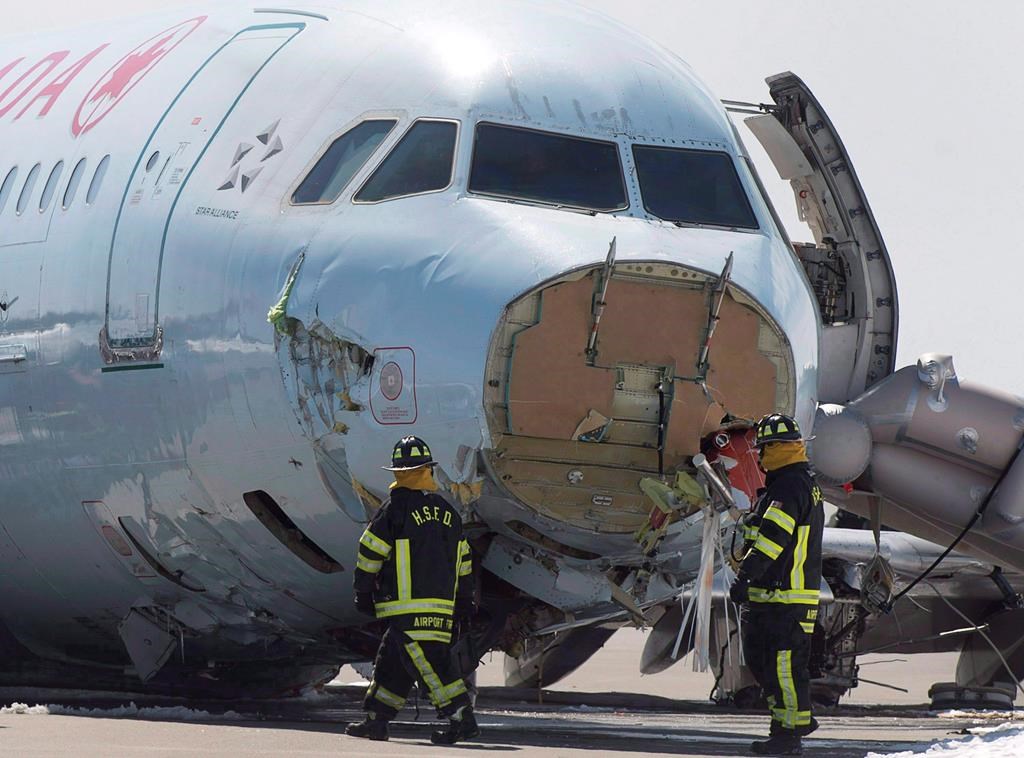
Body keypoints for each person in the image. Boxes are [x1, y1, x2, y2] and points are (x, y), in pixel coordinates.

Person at [344, 436, 479, 745]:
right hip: (439, 608)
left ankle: (462, 719)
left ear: (398, 472)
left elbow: (370, 551)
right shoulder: (448, 513)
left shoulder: (395, 509)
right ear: (428, 470)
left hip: (406, 607)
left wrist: (363, 592)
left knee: (433, 665)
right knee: (392, 660)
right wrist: (464, 601)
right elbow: (464, 560)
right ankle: (376, 720)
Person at [729, 413, 824, 756]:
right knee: (765, 662)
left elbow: (773, 540)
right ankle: (786, 727)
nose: (760, 456)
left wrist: (745, 576)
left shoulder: (790, 486)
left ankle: (790, 736)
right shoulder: (791, 484)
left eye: (764, 448)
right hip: (772, 597)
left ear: (775, 448)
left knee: (783, 666)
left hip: (785, 597)